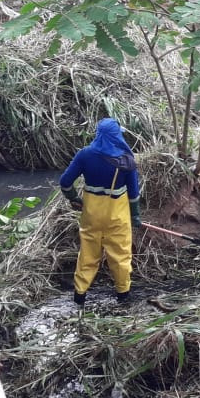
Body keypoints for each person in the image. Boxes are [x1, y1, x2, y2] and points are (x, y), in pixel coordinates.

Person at [60, 118, 141, 306]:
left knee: (88, 255)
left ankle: (79, 295)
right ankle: (123, 295)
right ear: (116, 135)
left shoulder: (85, 155)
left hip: (91, 215)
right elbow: (134, 195)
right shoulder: (126, 160)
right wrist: (135, 215)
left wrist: (74, 198)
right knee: (120, 256)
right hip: (117, 217)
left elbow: (65, 182)